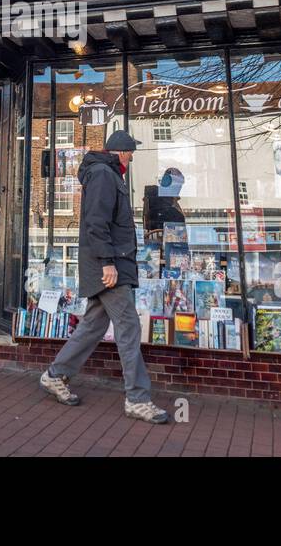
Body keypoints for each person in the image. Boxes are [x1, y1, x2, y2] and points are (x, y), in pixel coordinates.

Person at [39, 129, 169, 424]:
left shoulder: (107, 174)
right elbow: (96, 223)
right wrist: (108, 263)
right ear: (121, 152)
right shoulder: (103, 175)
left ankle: (55, 375)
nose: (131, 157)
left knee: (93, 325)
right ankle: (137, 399)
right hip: (109, 268)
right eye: (130, 152)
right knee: (129, 327)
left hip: (110, 264)